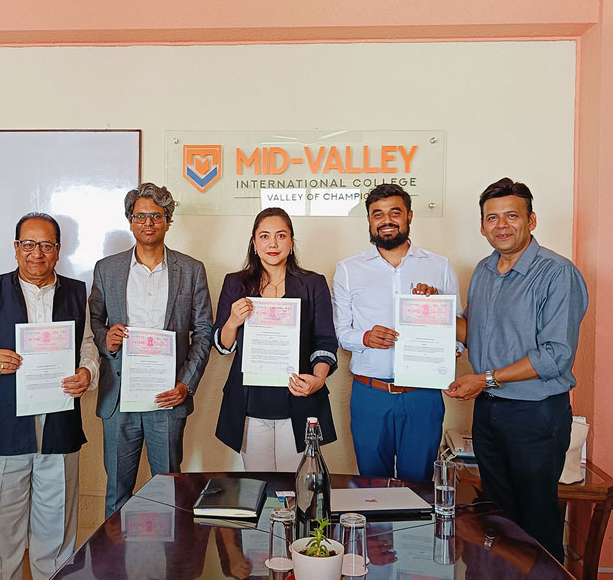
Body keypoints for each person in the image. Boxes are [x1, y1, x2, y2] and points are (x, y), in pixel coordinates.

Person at [445, 178, 587, 562]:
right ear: (482, 225)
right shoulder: (484, 270)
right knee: (496, 517)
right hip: (489, 411)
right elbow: (473, 332)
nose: (501, 225)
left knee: (536, 521)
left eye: (512, 215)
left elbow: (555, 355)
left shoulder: (557, 273)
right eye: (492, 217)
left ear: (532, 220)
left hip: (536, 414)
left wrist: (485, 378)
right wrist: (432, 312)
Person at [0, 212, 100, 580]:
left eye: (47, 245)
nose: (37, 253)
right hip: (6, 425)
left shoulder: (75, 291)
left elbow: (88, 347)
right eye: (28, 244)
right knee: (0, 528)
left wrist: (88, 372)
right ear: (16, 249)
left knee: (56, 528)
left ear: (58, 250)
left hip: (59, 425)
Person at [89, 183, 212, 518]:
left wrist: (185, 385)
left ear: (168, 221)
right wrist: (106, 339)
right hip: (119, 396)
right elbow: (94, 323)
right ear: (130, 221)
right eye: (140, 215)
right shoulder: (107, 269)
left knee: (170, 490)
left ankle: (170, 564)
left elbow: (203, 333)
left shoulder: (191, 270)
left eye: (156, 216)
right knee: (117, 491)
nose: (148, 222)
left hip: (167, 395)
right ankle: (116, 566)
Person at [332, 183, 461, 482]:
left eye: (395, 212)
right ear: (369, 220)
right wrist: (364, 337)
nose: (386, 220)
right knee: (372, 488)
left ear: (410, 216)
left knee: (418, 487)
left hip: (422, 395)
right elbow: (340, 331)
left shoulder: (439, 267)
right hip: (370, 394)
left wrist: (447, 342)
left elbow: (458, 330)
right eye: (377, 214)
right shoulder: (349, 269)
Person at [213, 207, 338, 471]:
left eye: (281, 236)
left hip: (299, 398)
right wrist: (233, 321)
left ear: (291, 242)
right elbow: (223, 345)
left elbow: (325, 340)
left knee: (295, 491)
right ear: (254, 242)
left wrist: (318, 380)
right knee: (259, 488)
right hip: (250, 401)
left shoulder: (313, 284)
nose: (273, 243)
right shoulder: (235, 283)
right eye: (265, 236)